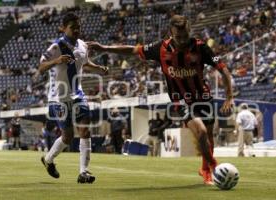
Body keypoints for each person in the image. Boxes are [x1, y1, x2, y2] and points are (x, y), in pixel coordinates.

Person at [88, 15, 233, 185]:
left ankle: (205, 169)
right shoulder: (161, 48)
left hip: (203, 97)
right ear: (170, 33)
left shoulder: (201, 48)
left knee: (208, 135)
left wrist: (229, 96)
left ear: (189, 31)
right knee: (200, 131)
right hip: (181, 101)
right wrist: (105, 48)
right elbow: (133, 50)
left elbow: (223, 70)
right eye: (178, 37)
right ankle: (215, 168)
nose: (182, 40)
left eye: (185, 35)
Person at [38, 12, 108, 184]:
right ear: (63, 28)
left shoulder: (83, 45)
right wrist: (56, 61)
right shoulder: (55, 47)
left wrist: (98, 67)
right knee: (67, 136)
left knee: (85, 130)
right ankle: (48, 160)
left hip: (78, 95)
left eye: (78, 27)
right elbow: (40, 68)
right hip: (59, 98)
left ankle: (84, 172)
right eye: (72, 27)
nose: (76, 30)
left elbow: (84, 62)